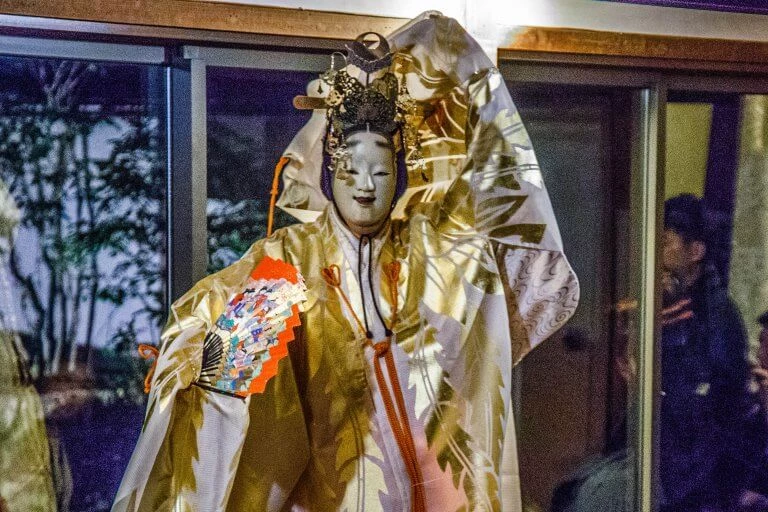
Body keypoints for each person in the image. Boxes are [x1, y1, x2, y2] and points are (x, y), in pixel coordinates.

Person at [112, 13, 579, 512]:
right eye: (350, 169)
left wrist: (443, 53)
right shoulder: (289, 260)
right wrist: (204, 362)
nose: (365, 185)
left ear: (400, 172)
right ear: (327, 166)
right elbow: (216, 350)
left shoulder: (442, 252)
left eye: (382, 170)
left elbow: (516, 225)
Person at [660, 194, 762, 511]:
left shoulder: (716, 316)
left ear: (696, 251)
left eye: (665, 241)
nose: (656, 251)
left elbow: (707, 400)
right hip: (668, 443)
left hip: (696, 462)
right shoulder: (666, 300)